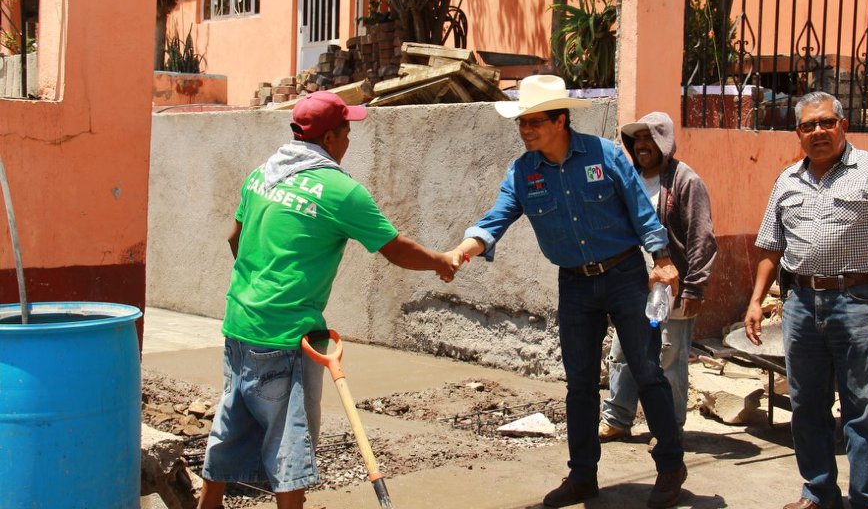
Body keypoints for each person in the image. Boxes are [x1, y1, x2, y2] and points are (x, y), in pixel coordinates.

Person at [199, 91, 461, 509]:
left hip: (239, 324)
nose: (349, 142)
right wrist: (441, 262)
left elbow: (235, 237)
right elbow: (395, 249)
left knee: (228, 433)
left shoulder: (262, 175)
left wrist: (261, 286)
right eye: (347, 132)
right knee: (290, 451)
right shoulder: (340, 191)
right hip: (286, 339)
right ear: (331, 138)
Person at [453, 75, 687, 509]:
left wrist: (662, 258)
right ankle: (583, 478)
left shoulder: (605, 154)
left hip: (624, 277)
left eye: (534, 122)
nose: (525, 131)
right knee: (579, 384)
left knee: (646, 369)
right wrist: (464, 250)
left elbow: (641, 209)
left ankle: (671, 466)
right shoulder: (523, 172)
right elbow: (497, 217)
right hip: (575, 284)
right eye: (521, 123)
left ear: (561, 120)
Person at [743, 91, 868, 509]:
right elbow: (770, 248)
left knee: (862, 408)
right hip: (800, 303)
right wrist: (754, 301)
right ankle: (819, 492)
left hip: (857, 300)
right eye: (808, 126)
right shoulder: (787, 180)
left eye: (826, 123)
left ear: (843, 125)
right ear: (798, 133)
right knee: (806, 406)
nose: (818, 131)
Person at [600, 112, 717, 441]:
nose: (641, 146)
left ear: (664, 142)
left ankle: (668, 427)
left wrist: (695, 287)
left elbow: (701, 237)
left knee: (668, 357)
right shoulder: (629, 178)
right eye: (636, 139)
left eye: (648, 138)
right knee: (622, 354)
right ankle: (618, 419)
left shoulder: (685, 181)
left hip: (672, 288)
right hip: (630, 286)